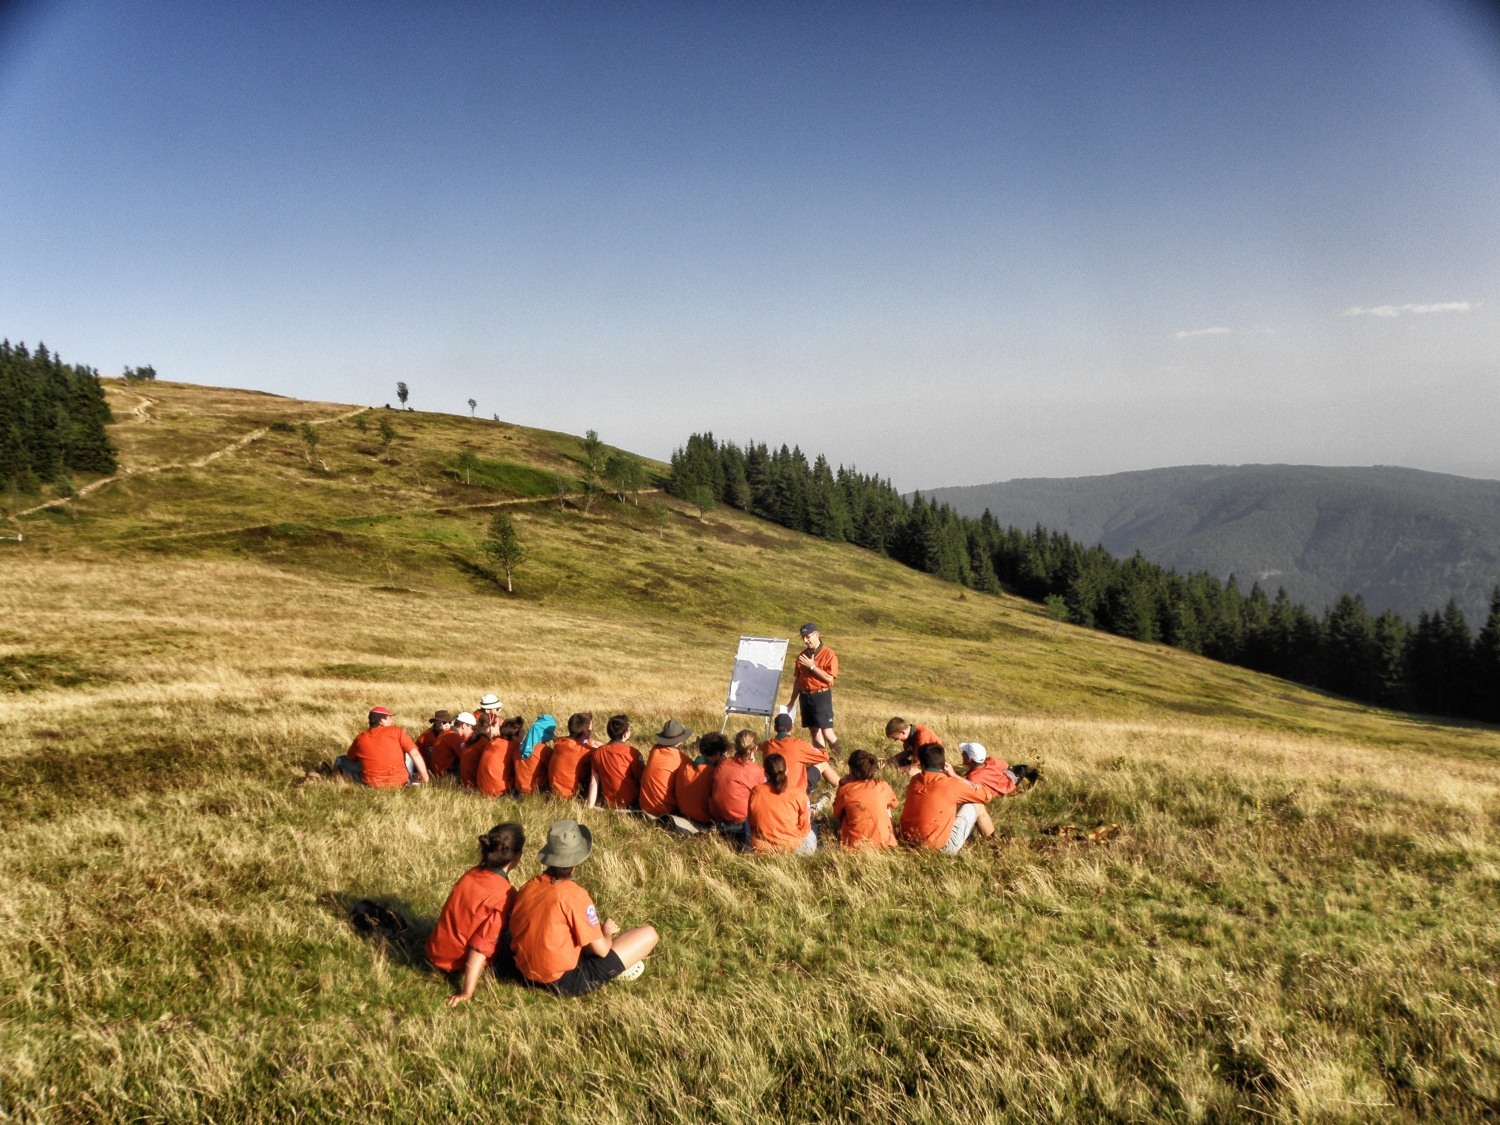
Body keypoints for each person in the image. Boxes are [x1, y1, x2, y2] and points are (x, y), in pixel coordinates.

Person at [508, 819, 658, 996]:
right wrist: (607, 932)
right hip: (562, 982)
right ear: (576, 861)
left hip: (523, 971)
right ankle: (620, 968)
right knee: (649, 934)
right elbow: (602, 950)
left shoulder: (529, 886)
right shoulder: (575, 895)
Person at [427, 823, 525, 1006]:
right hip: (458, 963)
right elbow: (481, 946)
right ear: (517, 856)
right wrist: (466, 992)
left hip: (435, 951)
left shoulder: (471, 873)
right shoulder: (505, 895)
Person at [898, 743, 994, 855]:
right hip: (939, 847)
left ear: (922, 765)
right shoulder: (951, 784)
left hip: (907, 842)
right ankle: (994, 845)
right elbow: (986, 796)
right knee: (978, 806)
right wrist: (955, 776)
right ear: (943, 763)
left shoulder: (914, 780)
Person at [784, 623, 841, 757]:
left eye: (808, 637)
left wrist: (812, 667)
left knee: (827, 731)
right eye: (803, 637)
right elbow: (798, 679)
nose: (805, 640)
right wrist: (792, 701)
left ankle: (841, 760)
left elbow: (829, 678)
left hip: (821, 696)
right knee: (814, 731)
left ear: (816, 634)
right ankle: (821, 759)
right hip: (805, 696)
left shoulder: (828, 654)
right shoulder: (802, 655)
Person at [335, 706, 429, 788]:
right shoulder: (397, 731)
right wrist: (425, 777)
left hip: (371, 784)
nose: (391, 721)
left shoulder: (360, 738)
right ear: (381, 721)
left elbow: (351, 758)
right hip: (400, 781)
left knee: (340, 760)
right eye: (389, 718)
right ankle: (412, 779)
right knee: (409, 753)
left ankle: (335, 780)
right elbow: (415, 754)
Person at [746, 752, 816, 855]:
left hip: (762, 848)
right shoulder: (798, 793)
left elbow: (752, 821)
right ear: (786, 771)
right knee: (813, 829)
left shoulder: (756, 791)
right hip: (793, 848)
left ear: (765, 774)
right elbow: (805, 828)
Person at [759, 712, 840, 798]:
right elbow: (824, 756)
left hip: (773, 788)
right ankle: (842, 786)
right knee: (823, 764)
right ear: (792, 727)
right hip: (797, 791)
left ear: (775, 728)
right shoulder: (799, 744)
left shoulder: (767, 745)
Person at [832, 750, 898, 850]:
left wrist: (841, 785)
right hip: (886, 844)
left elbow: (837, 814)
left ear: (851, 769)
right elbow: (895, 804)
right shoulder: (882, 786)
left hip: (855, 847)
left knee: (845, 810)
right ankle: (886, 835)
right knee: (886, 805)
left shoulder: (846, 790)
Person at [710, 729, 765, 843]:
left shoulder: (722, 764)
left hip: (719, 820)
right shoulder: (756, 771)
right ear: (755, 748)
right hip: (742, 824)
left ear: (735, 747)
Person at [588, 714, 645, 810]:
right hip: (632, 803)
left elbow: (594, 781)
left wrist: (589, 808)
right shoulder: (632, 752)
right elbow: (643, 778)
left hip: (610, 803)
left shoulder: (598, 752)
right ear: (625, 734)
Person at [671, 732, 725, 831]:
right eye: (723, 754)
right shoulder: (714, 774)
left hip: (685, 815)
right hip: (705, 820)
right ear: (717, 754)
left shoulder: (684, 768)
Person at [638, 719, 692, 817]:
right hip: (666, 809)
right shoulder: (684, 760)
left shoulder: (654, 751)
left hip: (644, 805)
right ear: (680, 741)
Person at [549, 712, 600, 801]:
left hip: (554, 791)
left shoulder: (560, 742)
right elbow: (604, 752)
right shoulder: (583, 751)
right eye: (590, 730)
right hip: (570, 795)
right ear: (585, 733)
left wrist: (591, 742)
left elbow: (588, 742)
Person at [512, 714, 557, 797]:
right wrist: (556, 741)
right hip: (536, 791)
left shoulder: (519, 748)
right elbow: (556, 767)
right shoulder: (543, 750)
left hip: (519, 789)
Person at [477, 717, 523, 798]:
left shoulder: (493, 742)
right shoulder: (514, 748)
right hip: (498, 792)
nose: (524, 734)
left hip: (482, 788)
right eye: (522, 732)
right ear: (514, 737)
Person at [456, 713, 486, 790]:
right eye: (472, 727)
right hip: (474, 786)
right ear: (464, 725)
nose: (472, 730)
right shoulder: (481, 741)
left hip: (464, 784)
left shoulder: (467, 740)